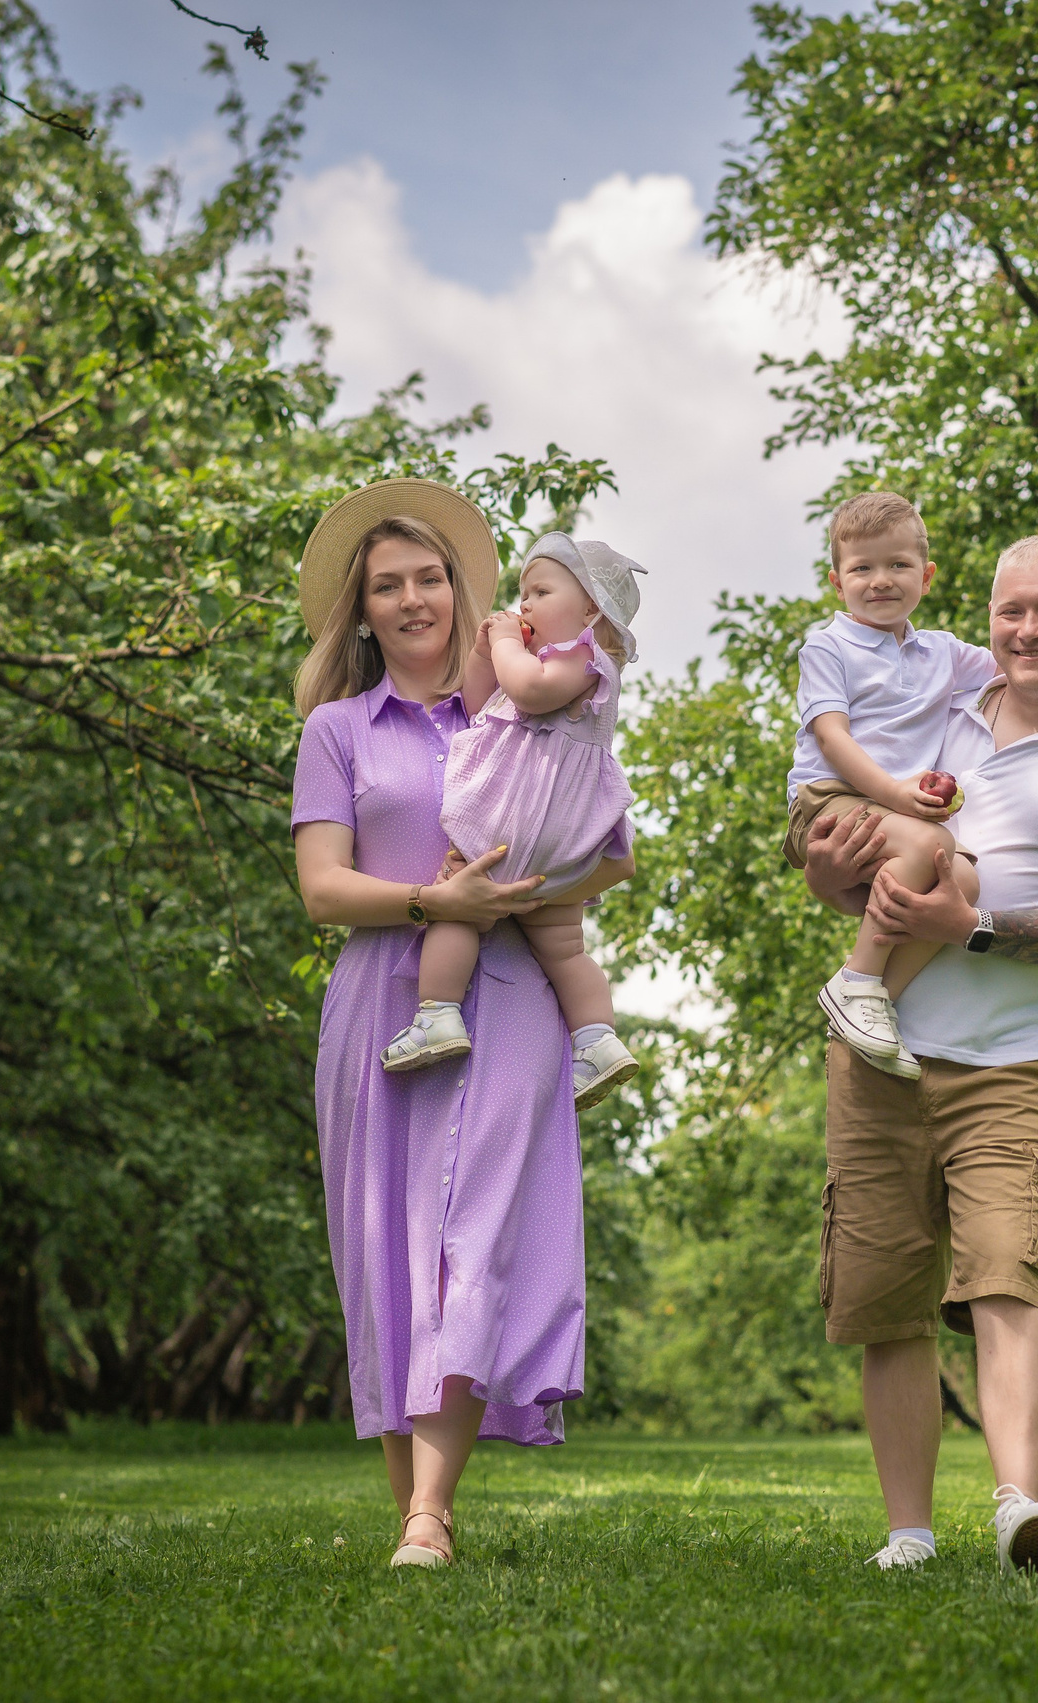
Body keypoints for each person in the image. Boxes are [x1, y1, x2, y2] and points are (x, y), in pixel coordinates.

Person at [799, 532, 1038, 1576]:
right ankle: (908, 1534)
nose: (1027, 629)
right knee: (885, 1298)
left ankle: (1020, 1507)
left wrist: (971, 924)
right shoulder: (934, 711)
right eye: (1012, 610)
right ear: (986, 615)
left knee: (1010, 1276)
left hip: (1010, 1062)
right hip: (878, 1053)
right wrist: (830, 869)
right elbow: (858, 864)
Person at [289, 479, 635, 1569]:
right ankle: (416, 1513)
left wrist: (532, 886)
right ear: (363, 609)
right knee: (389, 1251)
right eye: (386, 585)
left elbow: (612, 850)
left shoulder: (529, 705)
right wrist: (435, 901)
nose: (410, 598)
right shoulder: (336, 731)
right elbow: (321, 889)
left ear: (460, 588)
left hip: (515, 993)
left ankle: (431, 1512)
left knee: (472, 1240)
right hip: (383, 998)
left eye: (428, 577)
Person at [789, 493, 1038, 1078]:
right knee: (935, 847)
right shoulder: (828, 645)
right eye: (862, 569)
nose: (880, 582)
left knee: (964, 881)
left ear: (925, 576)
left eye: (897, 566)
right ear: (836, 581)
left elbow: (1024, 662)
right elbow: (832, 739)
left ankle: (873, 999)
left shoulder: (941, 654)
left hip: (886, 812)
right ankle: (856, 979)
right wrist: (896, 797)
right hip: (829, 796)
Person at [381, 532, 644, 1110]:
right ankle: (596, 1039)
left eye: (540, 591)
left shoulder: (582, 656)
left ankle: (438, 1013)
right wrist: (483, 653)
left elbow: (525, 690)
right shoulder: (543, 659)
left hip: (522, 819)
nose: (522, 604)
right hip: (560, 839)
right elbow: (479, 704)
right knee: (564, 946)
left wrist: (504, 644)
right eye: (522, 593)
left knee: (458, 905)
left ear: (591, 610)